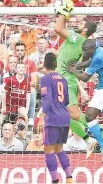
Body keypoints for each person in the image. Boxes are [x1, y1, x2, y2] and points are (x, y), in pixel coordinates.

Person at [35, 0, 98, 157]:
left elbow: (57, 27)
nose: (78, 22)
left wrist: (64, 11)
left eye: (82, 22)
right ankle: (88, 140)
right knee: (60, 115)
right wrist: (63, 14)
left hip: (66, 81)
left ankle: (102, 132)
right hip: (61, 79)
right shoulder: (77, 40)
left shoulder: (78, 39)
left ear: (84, 29)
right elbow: (61, 30)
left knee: (74, 114)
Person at [40, 53, 74, 184]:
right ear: (56, 64)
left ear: (44, 64)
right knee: (59, 148)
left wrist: (42, 115)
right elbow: (67, 100)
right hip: (64, 117)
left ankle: (55, 180)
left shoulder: (45, 79)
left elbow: (47, 99)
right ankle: (70, 178)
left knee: (48, 149)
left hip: (53, 118)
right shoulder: (63, 79)